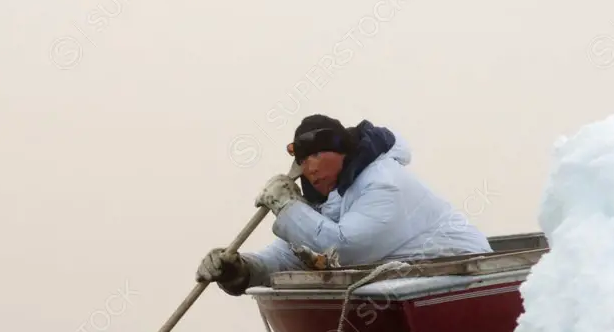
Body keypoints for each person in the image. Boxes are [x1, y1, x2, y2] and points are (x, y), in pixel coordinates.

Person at [197, 114, 492, 295]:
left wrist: (288, 207)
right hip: (404, 286)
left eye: (314, 156)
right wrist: (239, 270)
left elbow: (344, 250)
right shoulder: (329, 200)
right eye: (301, 160)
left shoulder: (382, 182)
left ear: (339, 151)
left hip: (464, 278)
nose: (309, 168)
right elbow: (292, 256)